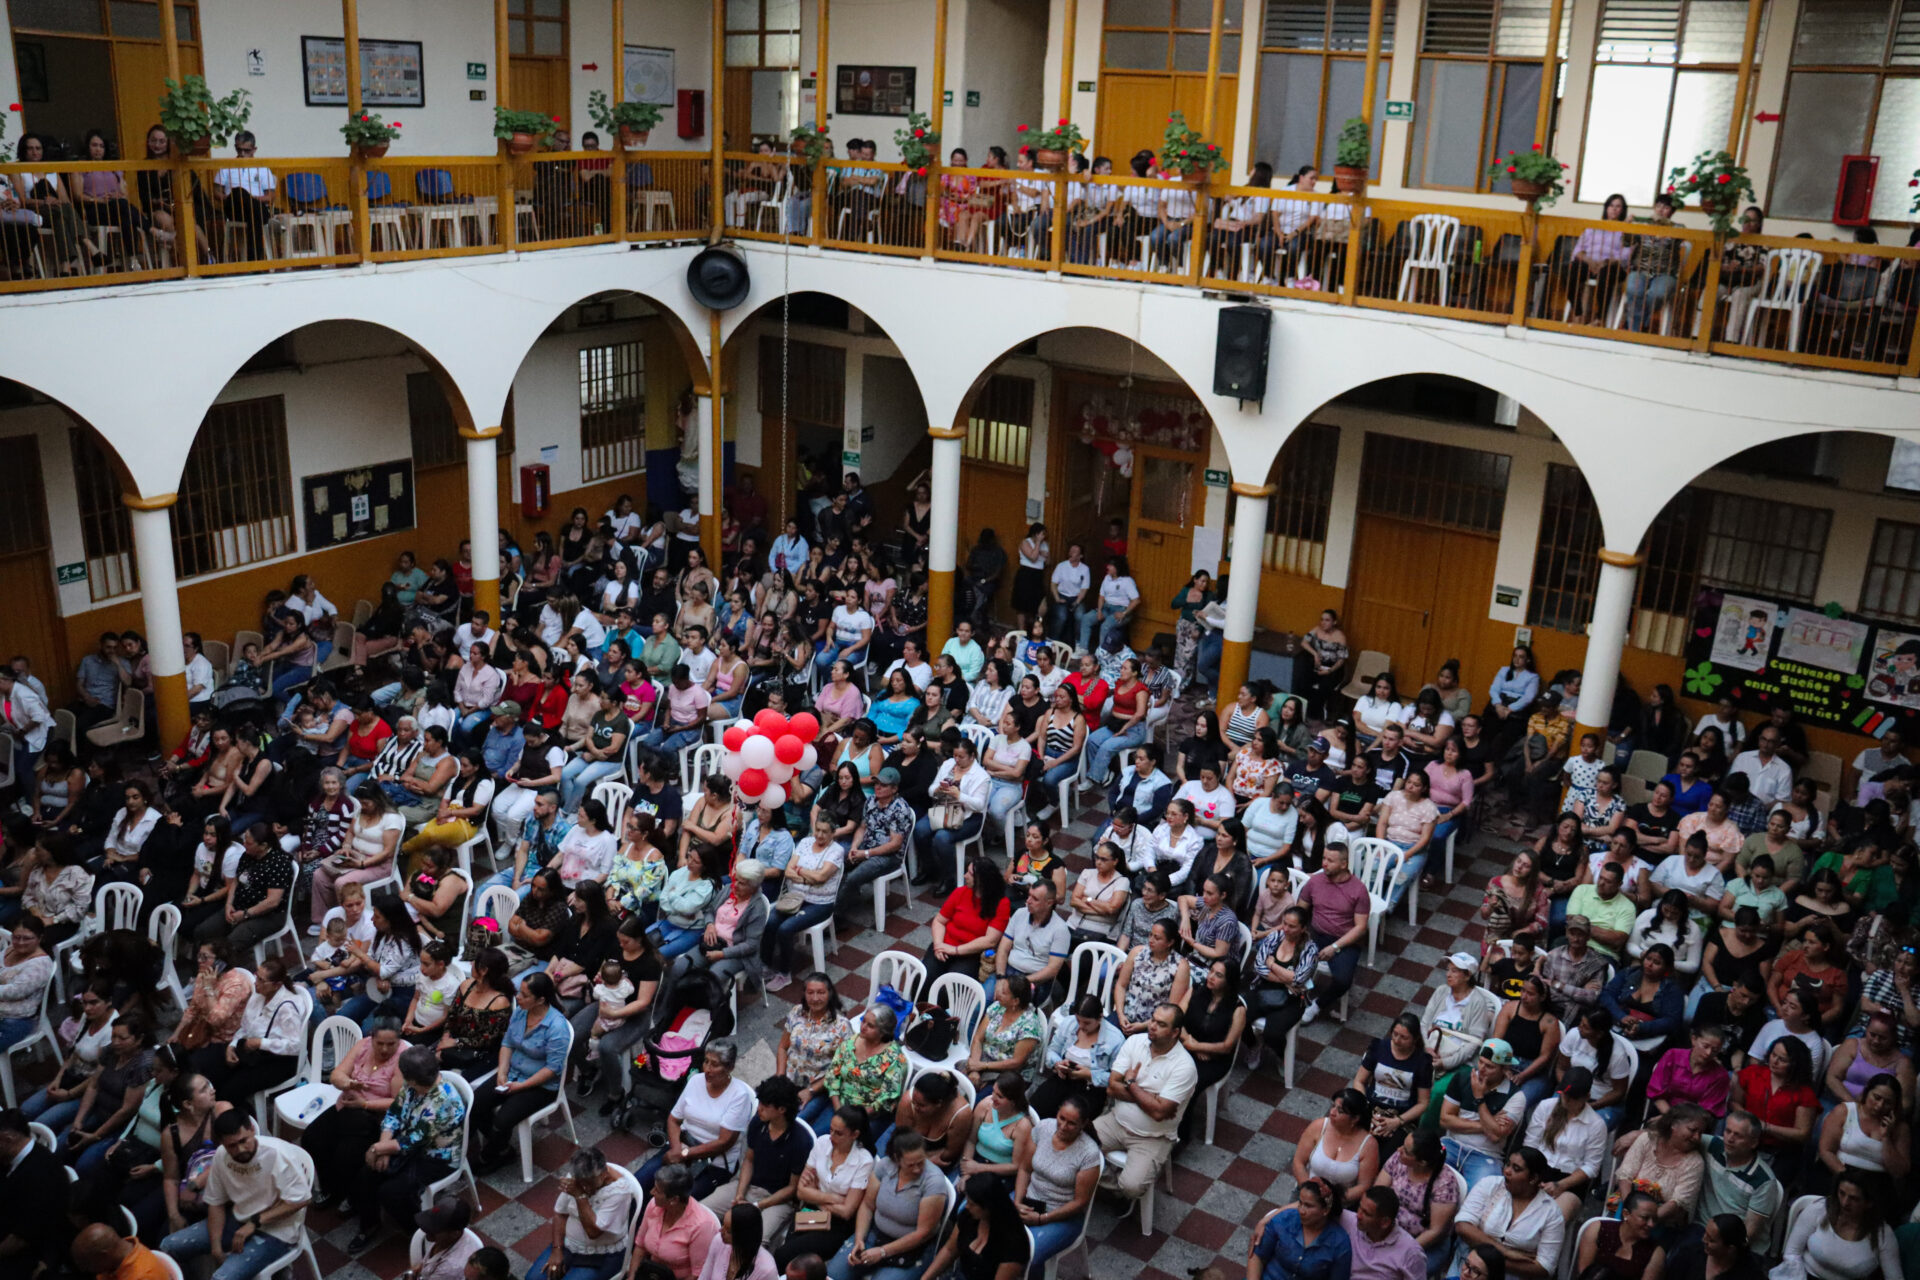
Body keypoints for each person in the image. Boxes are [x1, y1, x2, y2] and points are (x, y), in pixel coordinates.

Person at [158, 1109, 314, 1280]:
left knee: (221, 1278)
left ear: (252, 1131)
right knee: (169, 1246)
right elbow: (215, 1202)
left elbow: (301, 1200)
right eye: (232, 1145)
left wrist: (254, 1223)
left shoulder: (278, 1155)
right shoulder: (221, 1156)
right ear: (222, 1144)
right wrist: (216, 1246)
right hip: (238, 1219)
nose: (240, 1149)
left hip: (277, 1231)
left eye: (243, 1141)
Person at [347, 1044, 467, 1252]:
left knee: (392, 1192)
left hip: (437, 1158)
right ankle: (369, 1224)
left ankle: (422, 1236)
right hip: (409, 1146)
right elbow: (393, 1113)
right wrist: (384, 1146)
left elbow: (412, 1140)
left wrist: (378, 1148)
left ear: (411, 1078)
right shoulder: (412, 1087)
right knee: (367, 1173)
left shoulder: (443, 1102)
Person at [1092, 1001, 1196, 1213]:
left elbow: (1159, 1114)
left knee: (1132, 1187)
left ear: (1175, 1032)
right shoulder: (1134, 1042)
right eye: (1152, 1020)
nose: (1152, 1026)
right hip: (1115, 1121)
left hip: (1153, 1137)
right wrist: (1152, 1099)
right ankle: (1112, 1181)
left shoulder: (1184, 1067)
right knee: (1075, 1148)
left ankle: (1121, 1190)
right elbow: (1112, 1087)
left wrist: (1130, 1084)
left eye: (1161, 1024)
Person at [469, 972, 570, 1175]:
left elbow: (552, 1069)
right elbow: (507, 1043)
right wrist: (502, 1072)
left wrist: (521, 1087)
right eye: (519, 993)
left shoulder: (557, 1027)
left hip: (540, 1086)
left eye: (524, 995)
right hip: (513, 1073)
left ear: (540, 999)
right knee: (475, 1104)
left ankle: (494, 1154)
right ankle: (502, 1145)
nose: (518, 998)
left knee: (502, 1121)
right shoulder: (521, 1012)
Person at [638, 1039, 756, 1199]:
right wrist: (676, 1149)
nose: (707, 1069)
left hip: (712, 1162)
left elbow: (724, 1142)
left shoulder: (739, 1096)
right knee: (639, 1182)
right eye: (706, 1062)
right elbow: (674, 1119)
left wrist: (684, 1154)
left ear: (729, 1067)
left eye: (715, 1064)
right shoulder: (695, 1081)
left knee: (676, 1199)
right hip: (682, 1147)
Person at [704, 1075, 814, 1245]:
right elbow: (749, 1160)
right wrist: (740, 1194)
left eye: (765, 1105)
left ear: (781, 1110)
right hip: (749, 1187)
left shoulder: (801, 1141)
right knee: (702, 1212)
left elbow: (792, 1188)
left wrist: (759, 1205)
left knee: (756, 1240)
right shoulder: (758, 1123)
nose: (759, 1109)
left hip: (777, 1200)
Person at [825, 1130, 948, 1280]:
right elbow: (867, 1206)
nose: (917, 1169)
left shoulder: (934, 1182)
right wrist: (859, 1240)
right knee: (833, 1275)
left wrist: (883, 1251)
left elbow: (923, 1233)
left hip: (910, 1249)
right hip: (875, 1236)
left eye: (921, 1162)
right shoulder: (885, 1166)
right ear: (896, 1159)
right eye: (910, 1165)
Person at [774, 1106, 874, 1269]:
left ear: (855, 1135)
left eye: (839, 1133)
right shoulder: (822, 1143)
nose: (832, 1136)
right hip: (811, 1211)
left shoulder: (864, 1161)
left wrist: (815, 1193)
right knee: (790, 1260)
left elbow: (847, 1212)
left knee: (784, 1256)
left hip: (837, 1225)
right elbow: (801, 1191)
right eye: (831, 1130)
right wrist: (835, 1199)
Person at [528, 1147, 638, 1280]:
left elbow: (593, 1232)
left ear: (603, 1174)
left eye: (589, 1184)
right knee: (533, 1278)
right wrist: (557, 1249)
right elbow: (560, 1214)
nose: (585, 1188)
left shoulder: (620, 1193)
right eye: (581, 1183)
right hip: (568, 1246)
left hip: (600, 1256)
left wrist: (580, 1196)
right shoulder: (577, 1179)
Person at [1454, 1147, 1564, 1279]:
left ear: (1533, 1178)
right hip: (1470, 1265)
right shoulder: (1490, 1184)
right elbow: (1463, 1226)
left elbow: (1544, 1268)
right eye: (1508, 1165)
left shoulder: (1551, 1213)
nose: (1506, 1171)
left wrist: (1492, 1263)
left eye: (1516, 1169)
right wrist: (1505, 1252)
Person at [1773, 1169, 1901, 1280]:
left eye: (1854, 1199)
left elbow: (1894, 1277)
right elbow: (1792, 1252)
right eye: (1842, 1193)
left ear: (1869, 1203)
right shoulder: (1819, 1209)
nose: (1845, 1203)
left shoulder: (1883, 1234)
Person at [1298, 843, 1370, 1018]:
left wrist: (1335, 947)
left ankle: (1317, 1006)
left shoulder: (1358, 890)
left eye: (1330, 860)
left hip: (1345, 941)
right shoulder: (1315, 881)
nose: (1324, 864)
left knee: (1343, 980)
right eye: (1324, 858)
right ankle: (1297, 996)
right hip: (1315, 933)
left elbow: (1361, 928)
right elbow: (1300, 910)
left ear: (1343, 864)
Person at [1291, 1088, 1382, 1208]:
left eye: (1340, 1111)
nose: (1332, 1112)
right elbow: (1298, 1162)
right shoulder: (1318, 1126)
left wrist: (1332, 1200)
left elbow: (1364, 1185)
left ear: (1355, 1118)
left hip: (1341, 1205)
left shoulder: (1369, 1145)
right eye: (1333, 1106)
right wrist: (1309, 1193)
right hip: (1305, 1195)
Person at [1249, 1177, 1353, 1280]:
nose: (1301, 1210)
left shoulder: (1340, 1244)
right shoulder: (1285, 1219)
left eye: (1308, 1206)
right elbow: (1258, 1255)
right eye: (1300, 1203)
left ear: (1325, 1210)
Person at [634, 1162, 722, 1280]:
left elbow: (697, 1274)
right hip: (650, 1273)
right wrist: (631, 1276)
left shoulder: (702, 1226)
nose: (652, 1192)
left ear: (674, 1200)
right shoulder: (654, 1205)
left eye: (657, 1191)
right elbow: (640, 1246)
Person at [1576, 1190, 1665, 1280]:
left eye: (1654, 1219)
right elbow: (1584, 1273)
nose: (1651, 1224)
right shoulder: (1598, 1229)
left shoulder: (1655, 1252)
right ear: (1626, 1214)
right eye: (1645, 1218)